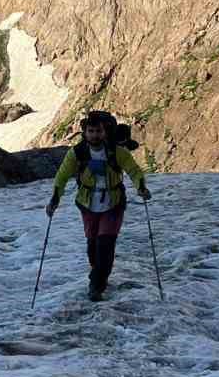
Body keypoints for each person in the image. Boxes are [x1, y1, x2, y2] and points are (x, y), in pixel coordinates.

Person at [47, 110, 151, 300]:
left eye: (98, 131)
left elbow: (134, 171)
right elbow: (61, 176)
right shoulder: (76, 153)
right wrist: (55, 198)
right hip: (88, 204)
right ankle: (98, 274)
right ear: (85, 133)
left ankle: (96, 285)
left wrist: (141, 187)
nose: (95, 135)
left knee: (105, 243)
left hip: (113, 202)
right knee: (93, 246)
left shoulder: (117, 152)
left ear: (105, 133)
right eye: (91, 131)